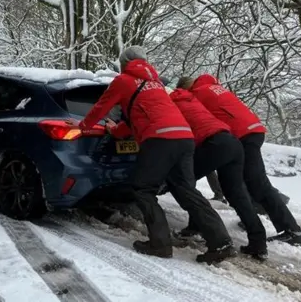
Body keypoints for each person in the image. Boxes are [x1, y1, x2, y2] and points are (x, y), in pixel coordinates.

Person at [69, 46, 236, 263]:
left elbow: (101, 107)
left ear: (124, 63)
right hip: (185, 137)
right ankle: (221, 242)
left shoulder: (123, 81)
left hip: (159, 140)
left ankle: (160, 244)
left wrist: (83, 126)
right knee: (186, 190)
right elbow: (137, 119)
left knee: (143, 189)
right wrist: (116, 130)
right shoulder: (156, 84)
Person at [179, 75, 301, 246]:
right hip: (253, 131)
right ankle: (262, 223)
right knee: (245, 183)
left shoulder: (196, 94)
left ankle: (291, 230)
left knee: (250, 184)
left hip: (237, 136)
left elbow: (199, 120)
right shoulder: (217, 89)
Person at [169, 86, 268, 260]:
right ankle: (258, 242)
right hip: (232, 142)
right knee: (237, 194)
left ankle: (199, 228)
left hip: (213, 144)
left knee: (185, 184)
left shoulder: (171, 105)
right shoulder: (193, 100)